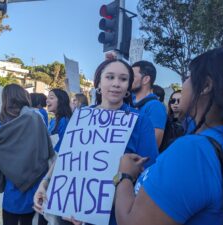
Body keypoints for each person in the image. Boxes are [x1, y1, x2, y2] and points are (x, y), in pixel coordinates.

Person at [115, 43, 223, 225]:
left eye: (189, 77)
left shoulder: (194, 152)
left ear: (206, 85)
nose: (183, 84)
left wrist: (125, 175)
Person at [34, 59, 158, 225]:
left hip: (113, 217)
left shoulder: (140, 121)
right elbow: (65, 156)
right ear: (98, 83)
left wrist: (94, 207)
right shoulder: (81, 116)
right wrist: (45, 183)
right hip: (69, 213)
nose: (116, 83)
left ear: (128, 87)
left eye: (123, 79)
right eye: (110, 77)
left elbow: (148, 173)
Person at [0, 84, 54, 225]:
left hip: (12, 182)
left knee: (9, 219)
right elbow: (46, 147)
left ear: (5, 99)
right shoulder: (35, 117)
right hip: (35, 179)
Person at [131, 60, 167, 147]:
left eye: (132, 76)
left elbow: (153, 144)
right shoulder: (130, 100)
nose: (128, 79)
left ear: (146, 79)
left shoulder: (155, 106)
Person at [46, 88, 72, 153]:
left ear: (61, 101)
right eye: (47, 98)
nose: (47, 100)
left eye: (51, 98)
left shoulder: (64, 120)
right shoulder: (53, 120)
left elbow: (61, 146)